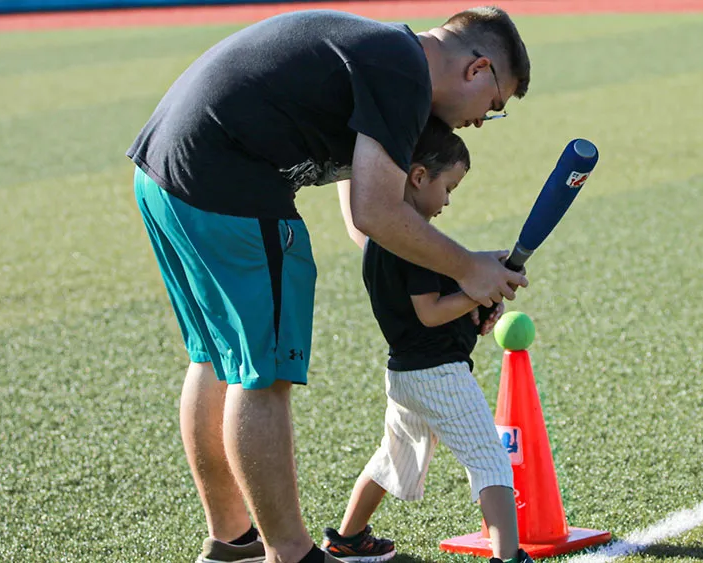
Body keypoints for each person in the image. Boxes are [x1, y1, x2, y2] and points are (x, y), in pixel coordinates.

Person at [127, 7, 530, 563]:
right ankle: (291, 553)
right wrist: (467, 268)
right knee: (263, 374)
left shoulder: (385, 56)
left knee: (217, 359)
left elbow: (368, 226)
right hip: (226, 181)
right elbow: (375, 212)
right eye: (495, 103)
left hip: (163, 171)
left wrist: (458, 285)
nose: (483, 121)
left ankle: (232, 542)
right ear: (477, 68)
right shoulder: (406, 72)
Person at [323, 117, 531, 563]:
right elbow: (430, 311)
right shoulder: (413, 243)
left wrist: (479, 287)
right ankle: (508, 557)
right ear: (418, 177)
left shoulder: (386, 236)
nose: (449, 200)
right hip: (439, 376)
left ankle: (348, 539)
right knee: (490, 460)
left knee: (393, 457)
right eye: (448, 187)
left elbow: (441, 289)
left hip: (404, 375)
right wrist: (477, 291)